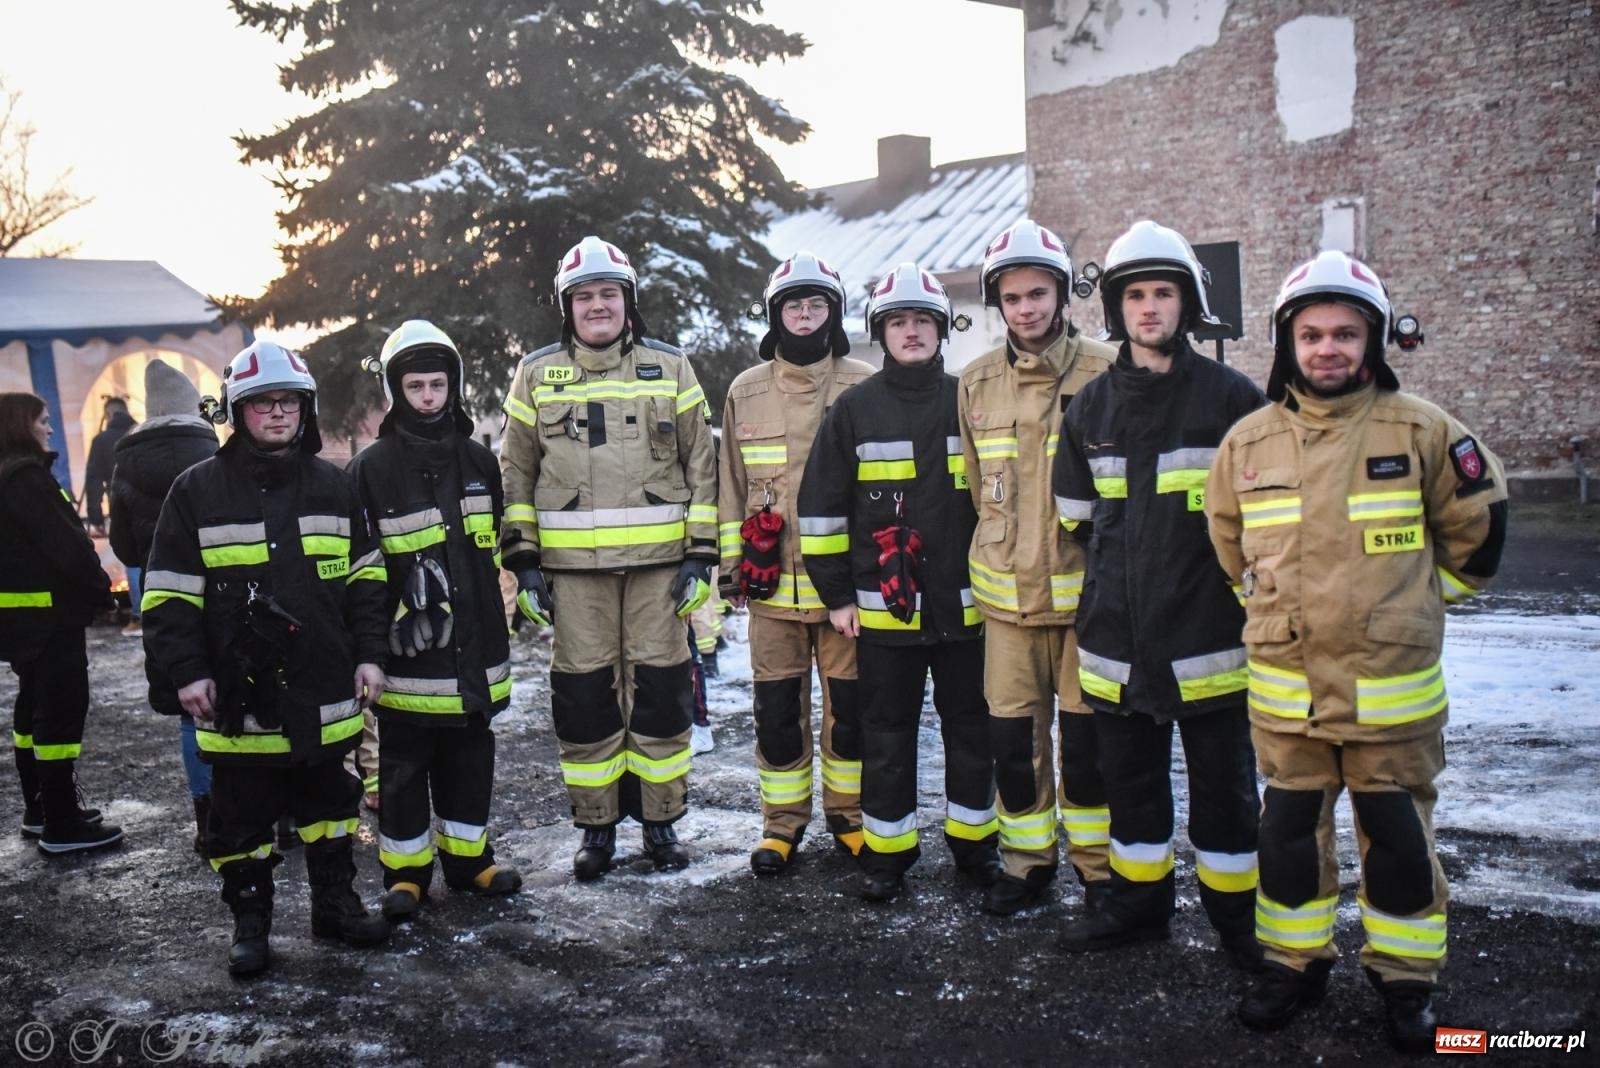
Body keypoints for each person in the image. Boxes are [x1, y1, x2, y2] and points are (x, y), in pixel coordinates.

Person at [1206, 250, 1507, 1053]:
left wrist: (1409, 608)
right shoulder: (1247, 444)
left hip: (1390, 694)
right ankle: (1293, 965)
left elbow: (1477, 536)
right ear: (1287, 345)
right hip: (1287, 693)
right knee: (1289, 838)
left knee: (1399, 841)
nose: (1328, 349)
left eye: (1345, 333)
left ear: (1371, 341)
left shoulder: (1423, 431)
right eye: (1311, 335)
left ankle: (1405, 984)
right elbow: (1231, 549)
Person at [142, 340, 391, 977]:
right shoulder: (194, 491)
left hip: (323, 687)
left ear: (304, 410)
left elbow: (366, 581)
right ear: (236, 410)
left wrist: (369, 655)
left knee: (332, 808)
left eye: (288, 403)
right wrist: (185, 672)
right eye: (262, 404)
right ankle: (250, 923)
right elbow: (168, 593)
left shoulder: (334, 485)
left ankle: (334, 904)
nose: (278, 414)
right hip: (238, 697)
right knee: (241, 821)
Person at [1051, 221, 1265, 959]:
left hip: (1210, 638)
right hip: (1116, 638)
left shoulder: (1235, 401)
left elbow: (1266, 522)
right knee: (1130, 787)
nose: (1149, 308)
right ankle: (1138, 905)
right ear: (1116, 307)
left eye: (1163, 293)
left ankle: (1239, 921)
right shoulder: (1088, 409)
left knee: (1227, 793)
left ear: (1188, 304)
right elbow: (1077, 520)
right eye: (1135, 294)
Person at [500, 235, 718, 879]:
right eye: (585, 296)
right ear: (566, 307)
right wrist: (526, 563)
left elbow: (701, 464)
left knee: (660, 692)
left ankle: (661, 824)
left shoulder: (670, 367)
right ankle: (596, 829)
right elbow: (516, 472)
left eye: (609, 293)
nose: (598, 305)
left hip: (660, 572)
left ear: (628, 301)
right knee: (587, 698)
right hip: (573, 577)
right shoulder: (536, 375)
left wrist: (701, 558)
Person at [799, 262, 996, 902]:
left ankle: (975, 849)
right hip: (886, 608)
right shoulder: (854, 410)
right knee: (885, 735)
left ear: (941, 327)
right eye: (897, 321)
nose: (911, 332)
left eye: (921, 320)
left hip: (967, 608)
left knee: (973, 731)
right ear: (879, 333)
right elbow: (823, 510)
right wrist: (835, 597)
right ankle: (888, 856)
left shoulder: (971, 400)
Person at [956, 219, 1117, 915]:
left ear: (1061, 294)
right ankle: (1027, 862)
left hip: (1088, 605)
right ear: (999, 302)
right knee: (1013, 746)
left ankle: (1097, 866)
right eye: (1014, 297)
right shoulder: (976, 382)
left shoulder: (1108, 371)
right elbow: (975, 484)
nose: (1027, 308)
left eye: (1039, 293)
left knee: (1088, 748)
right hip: (1007, 608)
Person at [348, 319, 523, 921]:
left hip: (474, 658)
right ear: (397, 392)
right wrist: (376, 638)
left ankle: (471, 864)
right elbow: (362, 566)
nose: (428, 397)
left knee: (471, 764)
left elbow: (493, 550)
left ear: (454, 387)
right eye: (416, 386)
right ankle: (406, 874)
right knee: (401, 772)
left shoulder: (479, 460)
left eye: (437, 385)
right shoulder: (370, 470)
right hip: (409, 661)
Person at [718, 252, 874, 876]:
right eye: (792, 305)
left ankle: (850, 816)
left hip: (847, 596)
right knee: (777, 713)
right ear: (774, 314)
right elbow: (731, 485)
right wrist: (733, 570)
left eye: (815, 305)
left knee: (851, 713)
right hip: (771, 589)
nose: (803, 315)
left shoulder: (863, 384)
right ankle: (781, 826)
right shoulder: (745, 391)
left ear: (833, 314)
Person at [0, 393, 122, 855]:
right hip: (50, 621)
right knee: (60, 714)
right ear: (19, 426)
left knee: (32, 710)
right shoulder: (27, 479)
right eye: (43, 422)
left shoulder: (7, 476)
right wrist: (99, 590)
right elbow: (67, 547)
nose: (49, 429)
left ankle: (41, 810)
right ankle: (62, 822)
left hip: (23, 622)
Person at [109, 360, 220, 855]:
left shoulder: (125, 462)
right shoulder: (214, 450)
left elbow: (126, 550)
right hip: (226, 599)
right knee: (249, 704)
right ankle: (271, 814)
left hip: (166, 603)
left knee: (189, 711)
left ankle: (208, 818)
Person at [84, 396, 140, 635]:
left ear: (108, 416)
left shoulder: (102, 440)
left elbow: (94, 480)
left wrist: (95, 515)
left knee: (133, 560)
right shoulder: (141, 432)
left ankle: (139, 617)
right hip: (155, 503)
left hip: (122, 507)